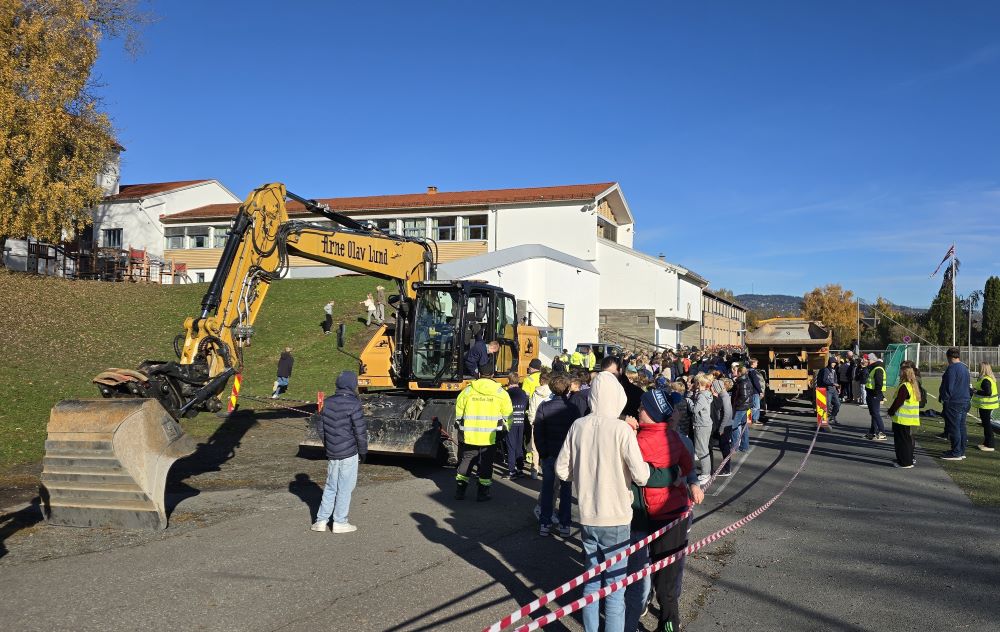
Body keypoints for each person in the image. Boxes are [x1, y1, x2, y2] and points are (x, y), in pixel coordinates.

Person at [555, 372, 652, 632]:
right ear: (617, 397)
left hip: (588, 515)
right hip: (617, 518)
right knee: (615, 590)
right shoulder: (622, 430)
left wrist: (582, 475)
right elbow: (642, 476)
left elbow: (562, 470)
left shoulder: (578, 426)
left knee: (591, 583)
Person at [623, 388, 700, 632]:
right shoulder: (672, 436)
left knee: (656, 577)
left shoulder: (639, 441)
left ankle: (669, 626)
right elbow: (687, 465)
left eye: (643, 408)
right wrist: (678, 476)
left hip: (656, 516)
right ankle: (668, 622)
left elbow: (641, 476)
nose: (638, 410)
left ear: (652, 413)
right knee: (667, 576)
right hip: (676, 513)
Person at [311, 370, 367, 533]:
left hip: (333, 452)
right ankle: (340, 521)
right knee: (345, 487)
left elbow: (320, 428)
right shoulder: (354, 404)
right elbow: (360, 431)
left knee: (330, 486)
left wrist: (329, 446)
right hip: (349, 453)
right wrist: (363, 452)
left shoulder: (326, 402)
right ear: (353, 385)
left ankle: (321, 521)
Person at [454, 362, 513, 501]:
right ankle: (482, 493)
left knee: (467, 460)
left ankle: (460, 491)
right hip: (490, 437)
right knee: (486, 464)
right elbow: (508, 416)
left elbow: (458, 413)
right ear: (493, 375)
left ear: (479, 374)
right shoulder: (501, 393)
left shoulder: (467, 391)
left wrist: (459, 426)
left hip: (469, 435)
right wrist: (505, 430)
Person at [533, 374, 577, 536]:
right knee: (566, 489)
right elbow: (576, 434)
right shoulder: (572, 409)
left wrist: (543, 452)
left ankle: (545, 522)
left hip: (549, 453)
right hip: (567, 455)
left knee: (548, 488)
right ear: (567, 389)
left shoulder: (544, 407)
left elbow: (538, 431)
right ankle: (565, 524)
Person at [939, 347, 971, 460]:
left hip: (954, 402)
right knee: (962, 427)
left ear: (949, 357)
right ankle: (961, 451)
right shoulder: (964, 368)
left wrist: (945, 400)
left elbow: (949, 387)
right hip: (965, 401)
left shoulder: (952, 368)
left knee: (954, 428)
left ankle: (956, 452)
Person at [887, 366, 921, 468]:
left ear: (904, 374)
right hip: (911, 419)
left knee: (902, 442)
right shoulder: (913, 385)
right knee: (907, 441)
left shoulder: (905, 386)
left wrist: (891, 411)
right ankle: (907, 459)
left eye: (900, 372)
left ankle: (905, 462)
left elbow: (898, 401)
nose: (899, 374)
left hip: (903, 419)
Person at [526, 372, 553, 479]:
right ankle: (547, 471)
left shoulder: (535, 393)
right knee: (548, 448)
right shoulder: (552, 393)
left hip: (537, 423)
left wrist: (532, 422)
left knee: (535, 448)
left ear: (541, 380)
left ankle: (534, 471)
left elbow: (531, 410)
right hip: (549, 423)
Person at [503, 372, 529, 479]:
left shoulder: (507, 393)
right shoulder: (523, 393)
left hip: (511, 423)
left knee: (511, 447)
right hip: (521, 422)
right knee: (519, 446)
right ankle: (520, 469)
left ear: (509, 381)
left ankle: (512, 471)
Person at [691, 374, 714, 484]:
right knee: (703, 449)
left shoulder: (702, 396)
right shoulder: (707, 394)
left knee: (701, 450)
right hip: (704, 423)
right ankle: (706, 472)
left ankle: (705, 474)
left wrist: (689, 401)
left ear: (699, 384)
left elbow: (695, 409)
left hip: (702, 424)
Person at [972, 362, 997, 452]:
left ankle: (990, 445)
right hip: (987, 405)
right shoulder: (988, 379)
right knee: (986, 424)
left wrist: (975, 391)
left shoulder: (986, 380)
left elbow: (988, 392)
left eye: (979, 367)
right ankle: (986, 443)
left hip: (986, 405)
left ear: (982, 369)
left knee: (987, 425)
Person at [864, 353, 888, 441]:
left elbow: (879, 384)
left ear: (872, 360)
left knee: (876, 414)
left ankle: (882, 432)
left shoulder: (878, 369)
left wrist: (877, 394)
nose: (866, 361)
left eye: (868, 360)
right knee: (873, 414)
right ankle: (872, 432)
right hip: (871, 393)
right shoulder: (874, 368)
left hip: (874, 394)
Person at [731, 367, 753, 452]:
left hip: (741, 408)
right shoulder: (747, 380)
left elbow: (743, 396)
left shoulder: (742, 382)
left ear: (740, 373)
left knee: (734, 426)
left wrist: (736, 404)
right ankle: (744, 446)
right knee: (745, 427)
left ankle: (734, 446)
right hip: (748, 407)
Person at [816, 357, 841, 425]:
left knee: (838, 404)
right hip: (827, 389)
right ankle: (823, 421)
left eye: (835, 363)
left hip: (833, 389)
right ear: (830, 363)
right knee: (827, 405)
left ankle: (832, 417)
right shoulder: (826, 370)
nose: (834, 364)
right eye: (833, 363)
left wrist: (837, 387)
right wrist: (832, 384)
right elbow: (824, 380)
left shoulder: (833, 370)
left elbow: (835, 380)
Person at [748, 358, 764, 425]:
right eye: (756, 363)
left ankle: (754, 419)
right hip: (754, 391)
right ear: (753, 363)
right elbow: (756, 382)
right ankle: (751, 418)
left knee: (755, 406)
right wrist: (760, 390)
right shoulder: (753, 372)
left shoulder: (749, 370)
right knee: (756, 406)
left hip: (752, 390)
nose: (757, 364)